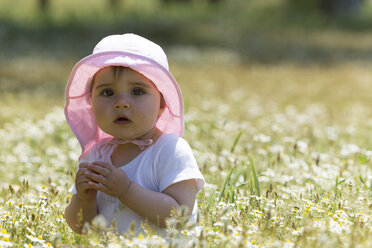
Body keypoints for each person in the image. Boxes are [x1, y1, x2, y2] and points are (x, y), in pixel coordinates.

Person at [64, 33, 205, 234]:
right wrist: (84, 198)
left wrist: (126, 190)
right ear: (91, 103)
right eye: (107, 92)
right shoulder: (95, 156)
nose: (121, 102)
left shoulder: (170, 150)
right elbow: (83, 228)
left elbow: (180, 215)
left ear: (162, 104)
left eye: (137, 92)